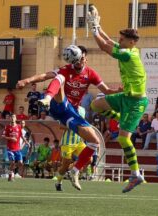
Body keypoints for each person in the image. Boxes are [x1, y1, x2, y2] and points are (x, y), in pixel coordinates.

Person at [17, 45, 120, 190]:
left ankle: (74, 171)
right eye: (76, 59)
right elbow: (45, 75)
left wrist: (119, 92)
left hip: (70, 113)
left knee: (94, 142)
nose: (79, 62)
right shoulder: (66, 70)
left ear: (85, 59)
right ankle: (46, 98)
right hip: (57, 103)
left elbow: (107, 90)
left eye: (81, 59)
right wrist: (26, 81)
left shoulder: (91, 74)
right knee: (59, 76)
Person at [87, 5, 148, 192]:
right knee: (95, 105)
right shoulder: (130, 50)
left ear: (131, 42)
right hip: (126, 97)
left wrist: (93, 28)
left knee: (123, 139)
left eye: (122, 39)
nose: (118, 41)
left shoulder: (128, 54)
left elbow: (104, 46)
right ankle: (120, 119)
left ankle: (136, 174)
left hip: (136, 103)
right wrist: (98, 25)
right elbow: (108, 41)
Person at [2, 114, 26, 181]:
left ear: (16, 118)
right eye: (11, 117)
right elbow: (3, 136)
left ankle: (10, 170)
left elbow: (21, 136)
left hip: (17, 149)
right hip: (10, 149)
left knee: (20, 163)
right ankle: (10, 175)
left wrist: (26, 142)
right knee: (12, 162)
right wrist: (11, 138)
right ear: (10, 118)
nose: (12, 118)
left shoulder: (18, 127)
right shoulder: (7, 127)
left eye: (14, 117)